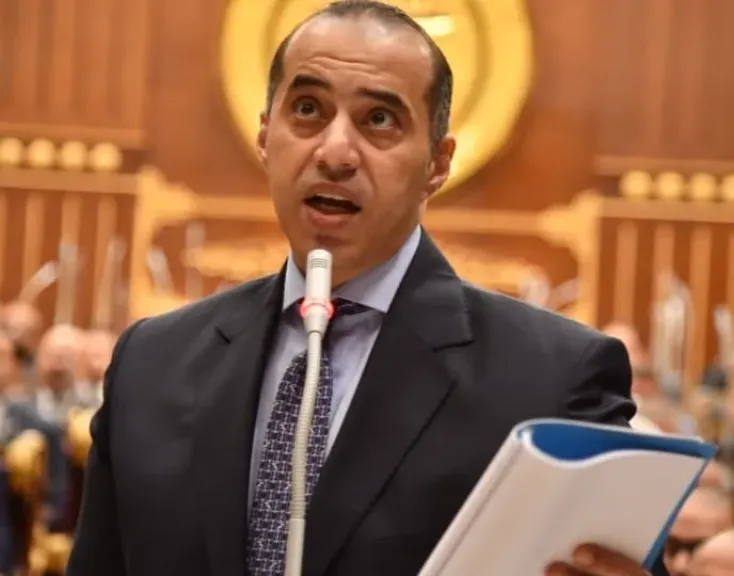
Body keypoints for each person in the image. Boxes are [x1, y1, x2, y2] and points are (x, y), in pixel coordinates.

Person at [67, 2, 666, 575]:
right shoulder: (151, 363)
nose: (334, 152)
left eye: (379, 119)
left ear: (438, 163)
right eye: (307, 109)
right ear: (265, 136)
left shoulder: (552, 379)